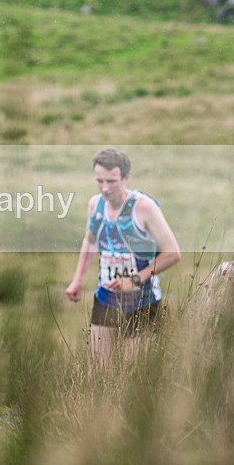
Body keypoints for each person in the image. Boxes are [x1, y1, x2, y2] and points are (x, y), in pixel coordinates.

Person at [65, 148, 181, 363]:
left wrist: (135, 279)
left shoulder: (144, 208)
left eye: (111, 181)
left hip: (142, 302)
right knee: (97, 372)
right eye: (99, 181)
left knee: (133, 376)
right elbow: (90, 241)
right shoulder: (95, 205)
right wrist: (77, 280)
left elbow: (173, 254)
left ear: (126, 177)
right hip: (106, 298)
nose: (105, 188)